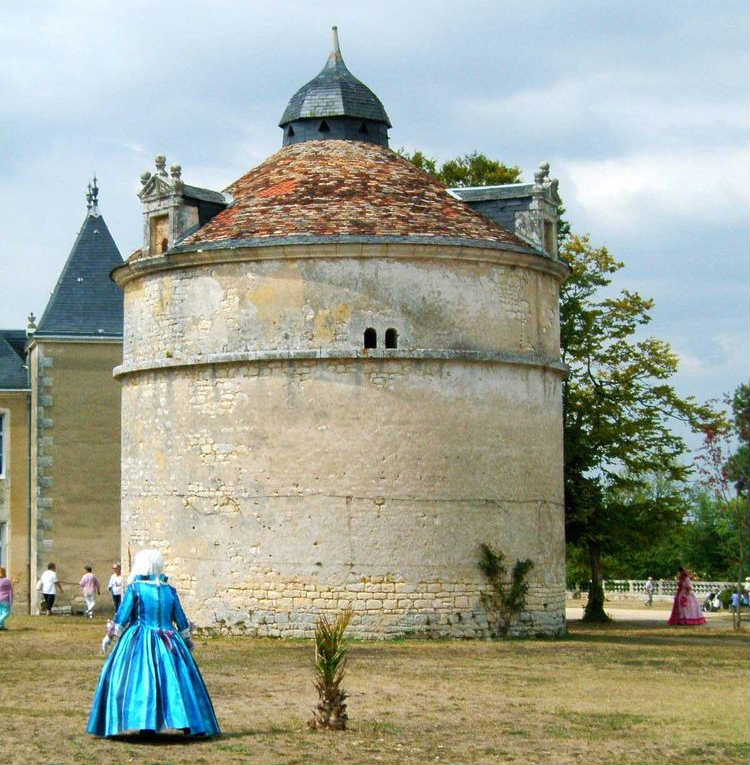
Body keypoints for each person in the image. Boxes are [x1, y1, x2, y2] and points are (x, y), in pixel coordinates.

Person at [87, 549, 220, 738]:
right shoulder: (169, 590)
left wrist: (109, 636)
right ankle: (188, 723)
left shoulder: (136, 588)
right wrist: (187, 640)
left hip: (140, 638)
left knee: (138, 679)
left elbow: (122, 616)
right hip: (170, 640)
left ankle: (146, 725)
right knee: (176, 680)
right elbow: (181, 620)